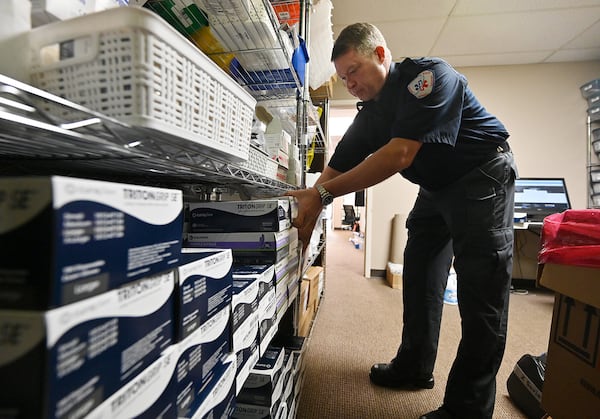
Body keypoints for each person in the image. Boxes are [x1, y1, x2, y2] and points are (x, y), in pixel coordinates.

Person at [286, 22, 517, 419]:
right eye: (342, 77)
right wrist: (310, 205)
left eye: (353, 70)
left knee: (482, 292)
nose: (349, 83)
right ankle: (413, 366)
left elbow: (398, 156)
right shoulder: (372, 113)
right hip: (435, 187)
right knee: (421, 273)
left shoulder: (429, 78)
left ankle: (468, 409)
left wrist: (323, 195)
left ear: (380, 54)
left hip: (481, 174)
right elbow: (335, 168)